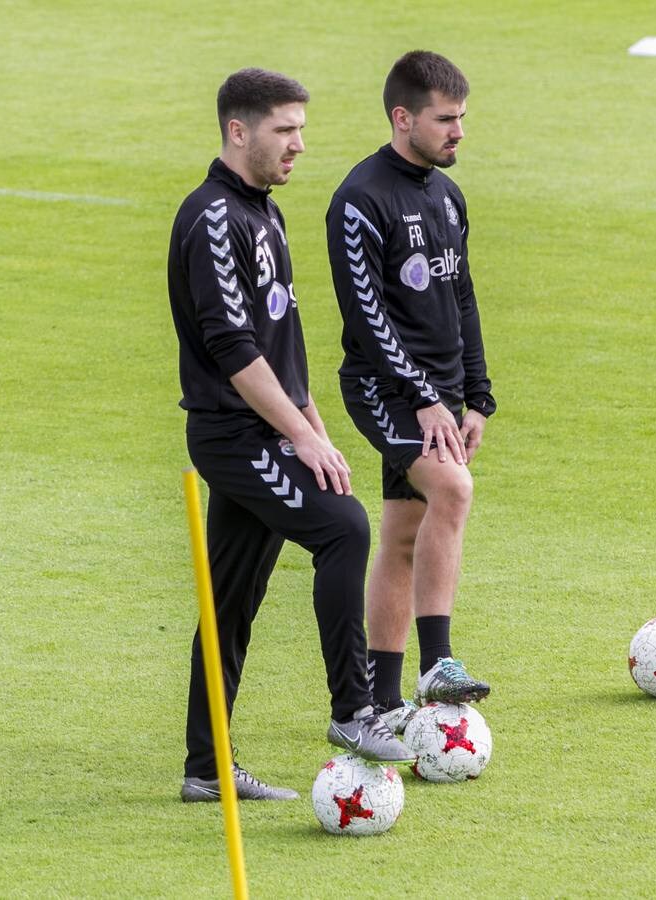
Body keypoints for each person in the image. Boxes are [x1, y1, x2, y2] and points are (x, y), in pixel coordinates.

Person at [167, 67, 414, 803]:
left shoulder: (264, 213)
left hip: (269, 426)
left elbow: (283, 341)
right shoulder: (213, 217)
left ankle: (206, 769)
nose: (300, 144)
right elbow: (235, 349)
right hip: (234, 433)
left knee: (231, 597)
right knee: (343, 528)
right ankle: (353, 711)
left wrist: (317, 428)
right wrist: (298, 439)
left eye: (301, 129)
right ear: (238, 131)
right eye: (285, 129)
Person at [325, 51, 496, 734]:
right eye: (445, 119)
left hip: (438, 394)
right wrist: (424, 397)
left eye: (461, 118)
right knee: (452, 491)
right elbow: (367, 318)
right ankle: (438, 663)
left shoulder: (447, 195)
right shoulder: (359, 200)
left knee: (402, 533)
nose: (459, 132)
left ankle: (383, 699)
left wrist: (476, 396)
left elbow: (463, 296)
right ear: (403, 118)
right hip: (383, 389)